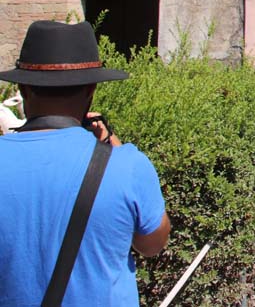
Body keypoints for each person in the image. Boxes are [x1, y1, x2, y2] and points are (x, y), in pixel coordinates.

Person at [0, 20, 171, 307]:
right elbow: (152, 245)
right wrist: (112, 144)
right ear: (91, 90)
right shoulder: (127, 166)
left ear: (23, 90)